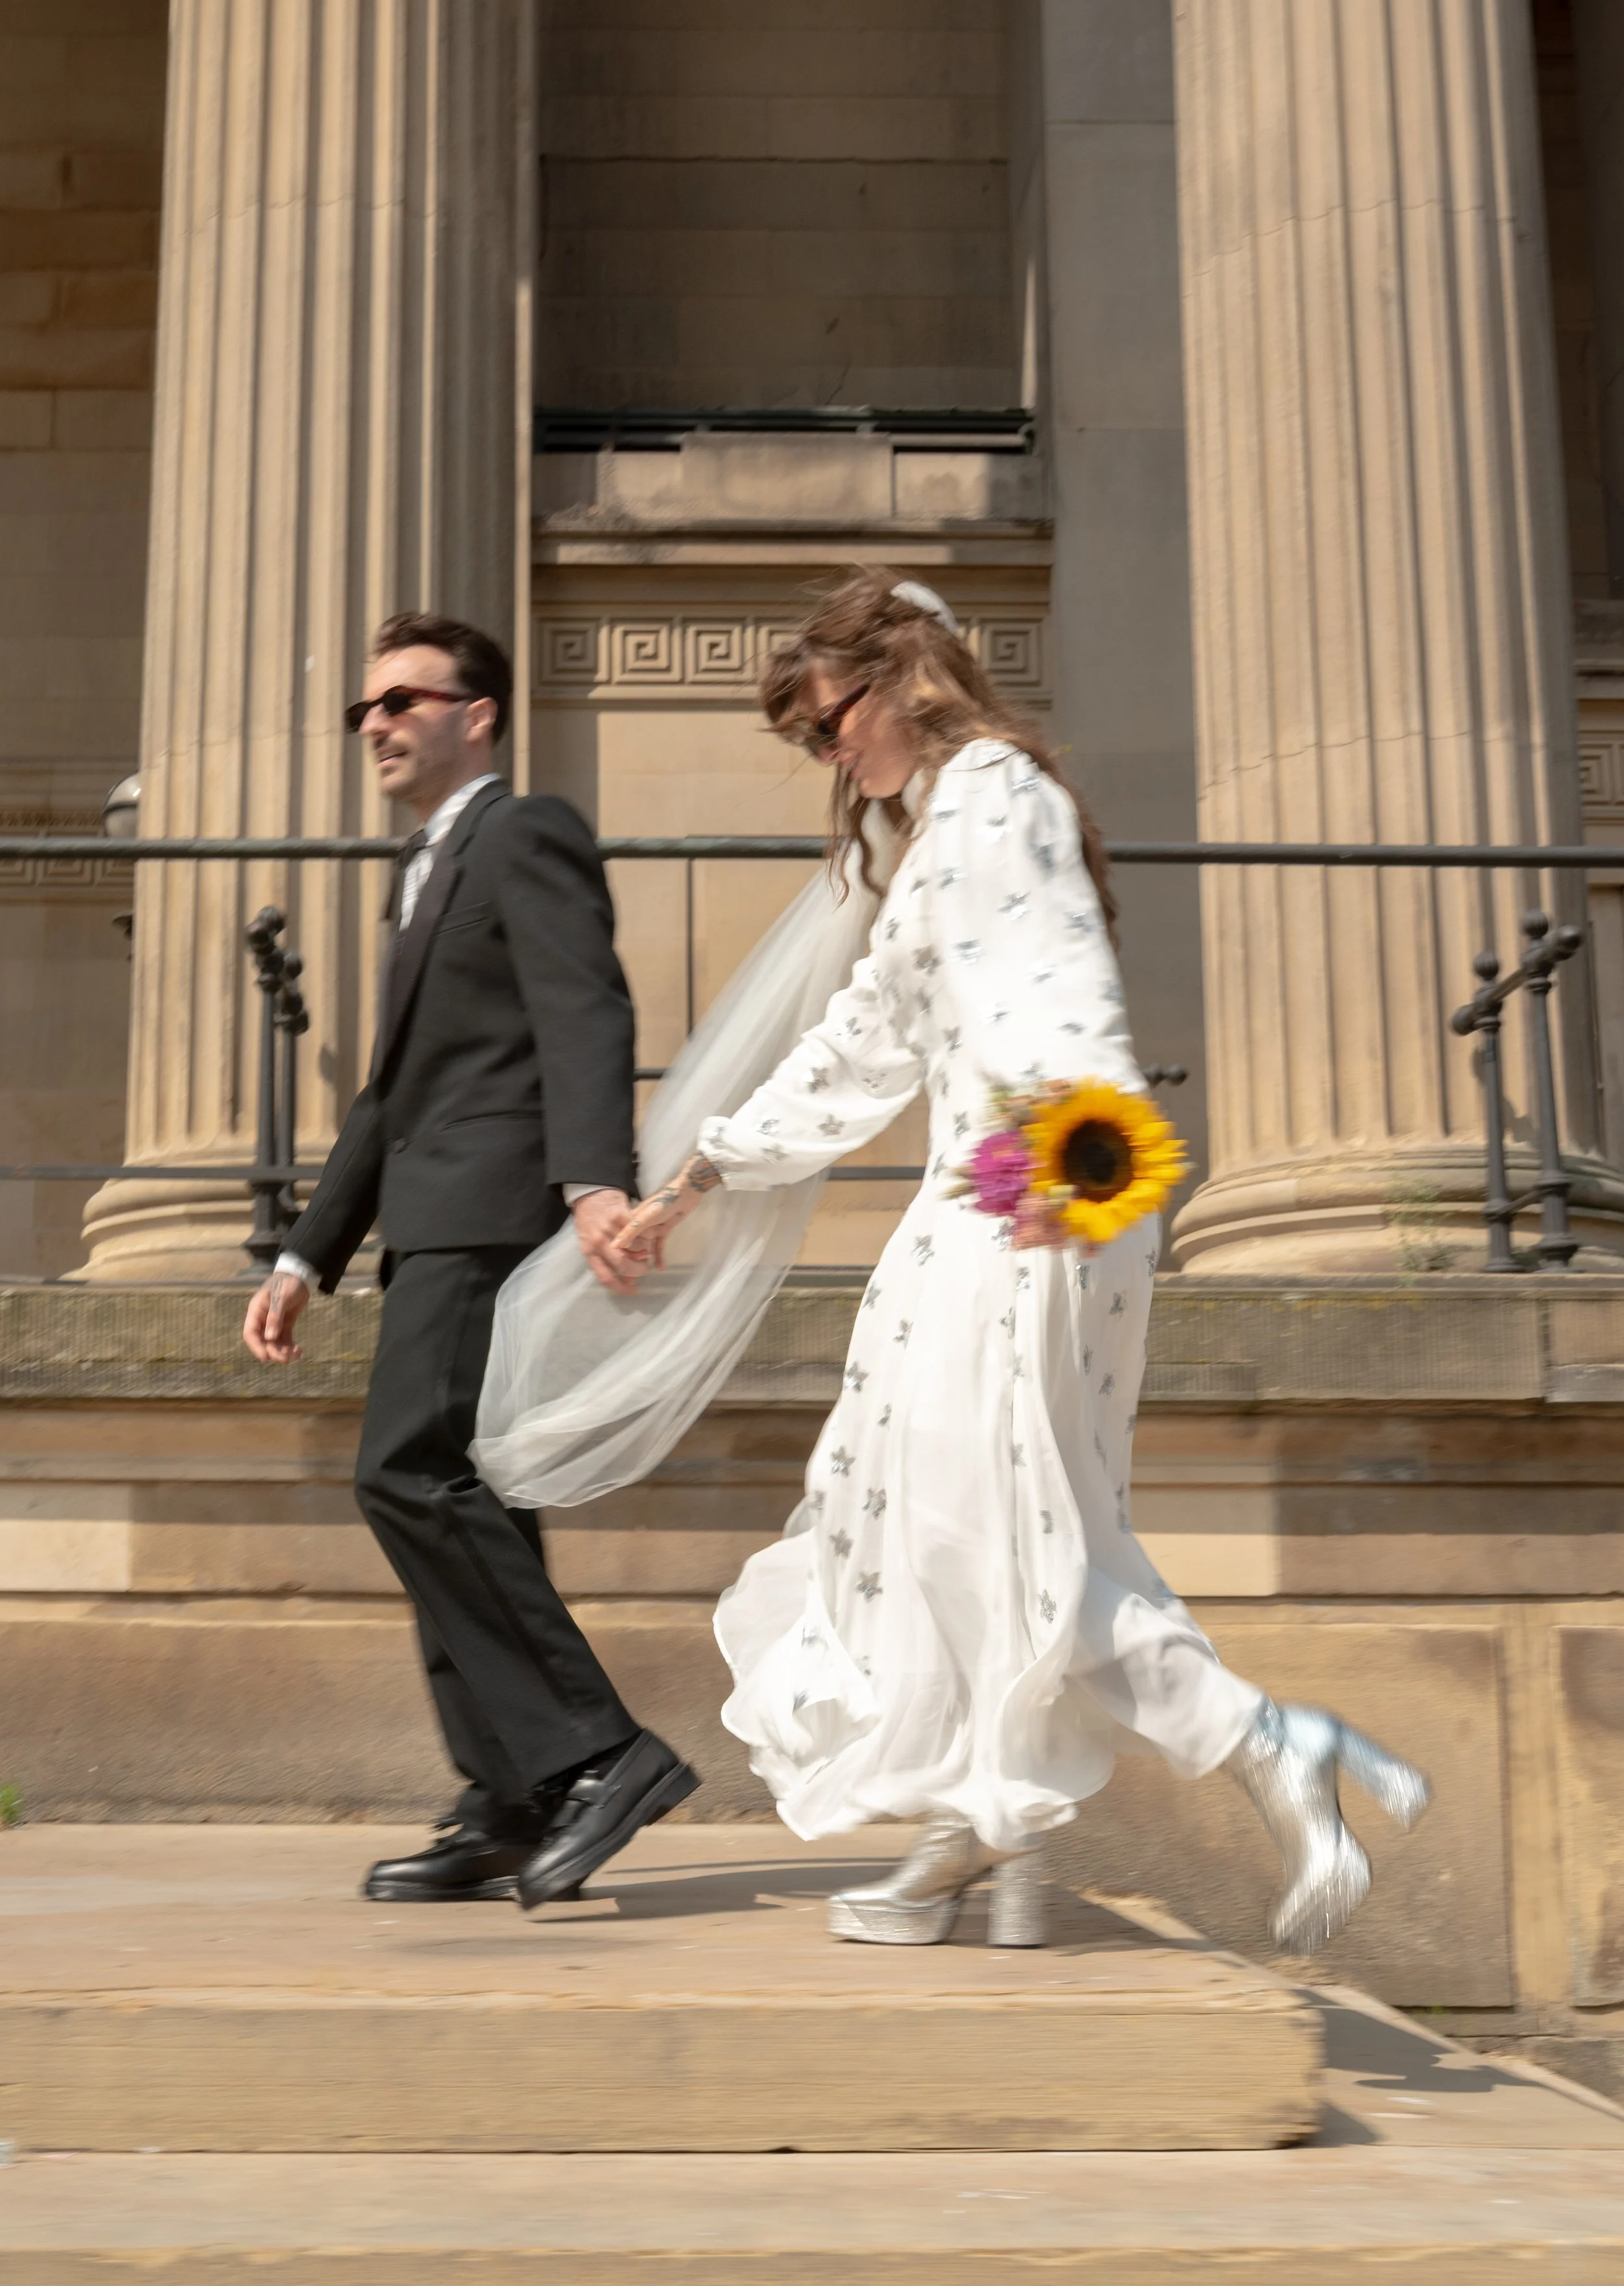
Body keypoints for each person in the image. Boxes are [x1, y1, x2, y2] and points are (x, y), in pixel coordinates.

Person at [601, 569, 1430, 1951]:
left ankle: (1256, 1747)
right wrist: (688, 1184)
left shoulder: (990, 793)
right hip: (991, 1201)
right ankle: (979, 1830)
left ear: (901, 677)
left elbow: (1061, 993)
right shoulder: (932, 836)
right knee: (959, 1520)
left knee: (985, 1520)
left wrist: (1083, 1162)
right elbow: (859, 1041)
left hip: (1033, 1192)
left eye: (827, 725)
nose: (826, 758)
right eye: (810, 743)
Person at [242, 610, 696, 1912]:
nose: (376, 724)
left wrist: (595, 1177)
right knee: (475, 1497)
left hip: (491, 1216)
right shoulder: (426, 866)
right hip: (431, 1217)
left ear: (476, 715)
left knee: (409, 1474)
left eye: (402, 701)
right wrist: (306, 1258)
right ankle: (507, 1796)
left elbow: (584, 1007)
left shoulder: (521, 832)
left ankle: (600, 1753)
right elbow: (388, 1097)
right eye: (366, 709)